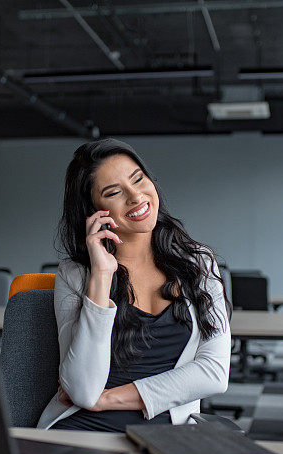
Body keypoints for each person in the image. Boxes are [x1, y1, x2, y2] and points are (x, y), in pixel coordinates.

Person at [37, 138, 231, 431]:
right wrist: (101, 276)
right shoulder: (75, 274)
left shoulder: (199, 264)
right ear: (94, 211)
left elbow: (214, 373)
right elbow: (82, 390)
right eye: (114, 192)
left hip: (164, 433)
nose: (136, 196)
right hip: (81, 430)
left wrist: (108, 400)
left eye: (138, 179)